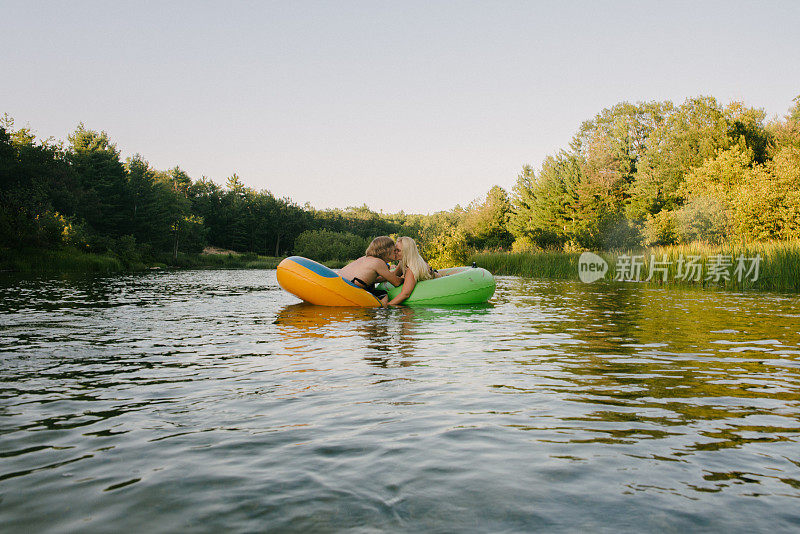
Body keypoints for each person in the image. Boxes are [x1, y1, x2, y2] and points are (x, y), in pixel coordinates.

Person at [338, 236, 403, 306]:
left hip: (340, 284)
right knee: (383, 294)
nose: (396, 253)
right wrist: (407, 278)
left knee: (371, 286)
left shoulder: (364, 258)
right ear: (387, 250)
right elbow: (396, 283)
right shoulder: (378, 262)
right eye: (394, 250)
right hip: (350, 290)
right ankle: (384, 313)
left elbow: (371, 279)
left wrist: (394, 273)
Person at [387, 236, 440, 306]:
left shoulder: (412, 269)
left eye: (398, 250)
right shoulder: (403, 262)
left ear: (407, 252)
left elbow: (405, 294)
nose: (395, 252)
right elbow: (394, 274)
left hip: (437, 280)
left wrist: (385, 307)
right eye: (395, 250)